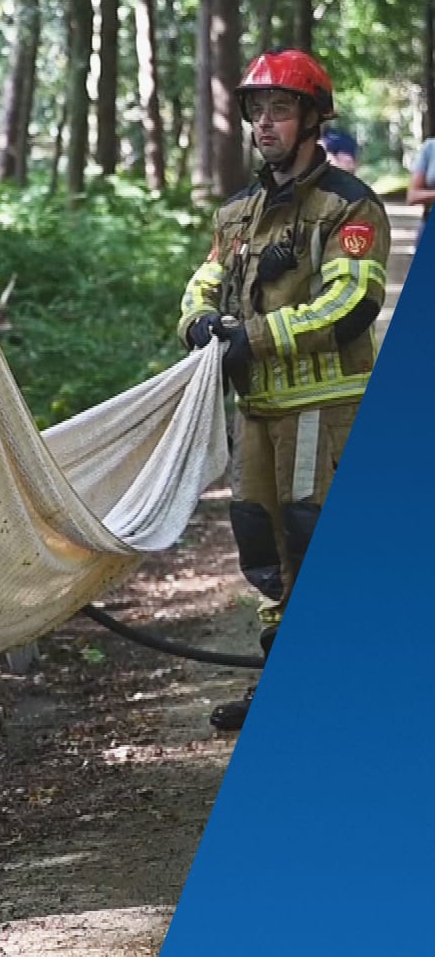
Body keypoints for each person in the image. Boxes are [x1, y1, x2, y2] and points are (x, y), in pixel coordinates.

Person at [177, 49, 390, 733]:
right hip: (258, 412)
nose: (265, 124)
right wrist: (199, 319)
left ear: (313, 119)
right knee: (261, 549)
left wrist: (256, 336)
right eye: (257, 110)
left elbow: (352, 302)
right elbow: (204, 282)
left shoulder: (349, 206)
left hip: (323, 412)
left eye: (282, 109)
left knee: (313, 540)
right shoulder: (238, 212)